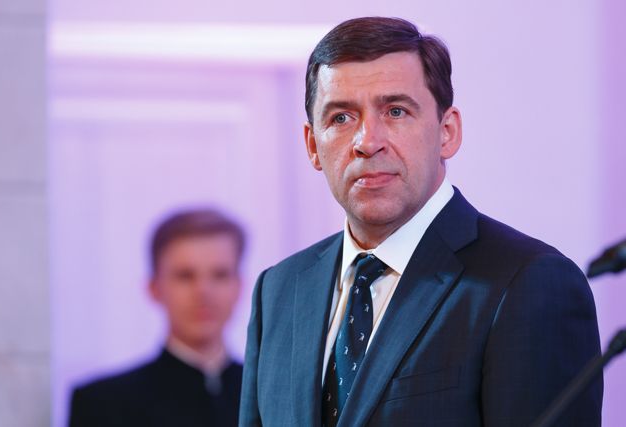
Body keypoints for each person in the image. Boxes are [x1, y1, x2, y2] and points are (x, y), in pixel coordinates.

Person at [239, 17, 602, 427]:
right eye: (341, 118)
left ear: (447, 132)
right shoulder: (279, 290)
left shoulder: (529, 283)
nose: (367, 141)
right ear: (312, 145)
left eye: (396, 111)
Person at [69, 208, 246, 427]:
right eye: (185, 276)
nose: (203, 292)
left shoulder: (268, 398)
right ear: (154, 288)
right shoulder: (102, 405)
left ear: (240, 286)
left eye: (220, 275)